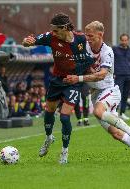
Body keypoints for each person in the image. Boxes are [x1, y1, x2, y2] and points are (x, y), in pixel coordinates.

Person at [63, 21, 130, 163]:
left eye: (90, 35)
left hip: (109, 90)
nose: (87, 38)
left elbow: (101, 75)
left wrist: (77, 78)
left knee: (97, 111)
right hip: (96, 93)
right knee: (116, 134)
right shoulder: (84, 47)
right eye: (86, 35)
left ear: (100, 35)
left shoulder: (107, 51)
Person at [22, 13, 94, 164]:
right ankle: (49, 138)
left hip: (73, 82)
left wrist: (83, 74)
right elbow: (32, 41)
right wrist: (27, 42)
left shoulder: (81, 39)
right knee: (48, 112)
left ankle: (64, 151)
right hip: (57, 80)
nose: (53, 33)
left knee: (64, 116)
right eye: (52, 30)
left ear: (65, 28)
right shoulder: (51, 37)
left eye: (56, 30)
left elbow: (90, 60)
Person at [112, 34, 130, 121]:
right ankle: (115, 112)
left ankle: (122, 113)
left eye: (126, 40)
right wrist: (112, 72)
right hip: (119, 75)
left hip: (129, 75)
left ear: (128, 40)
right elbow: (111, 61)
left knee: (126, 95)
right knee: (118, 95)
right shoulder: (115, 49)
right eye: (123, 40)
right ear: (120, 40)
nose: (124, 42)